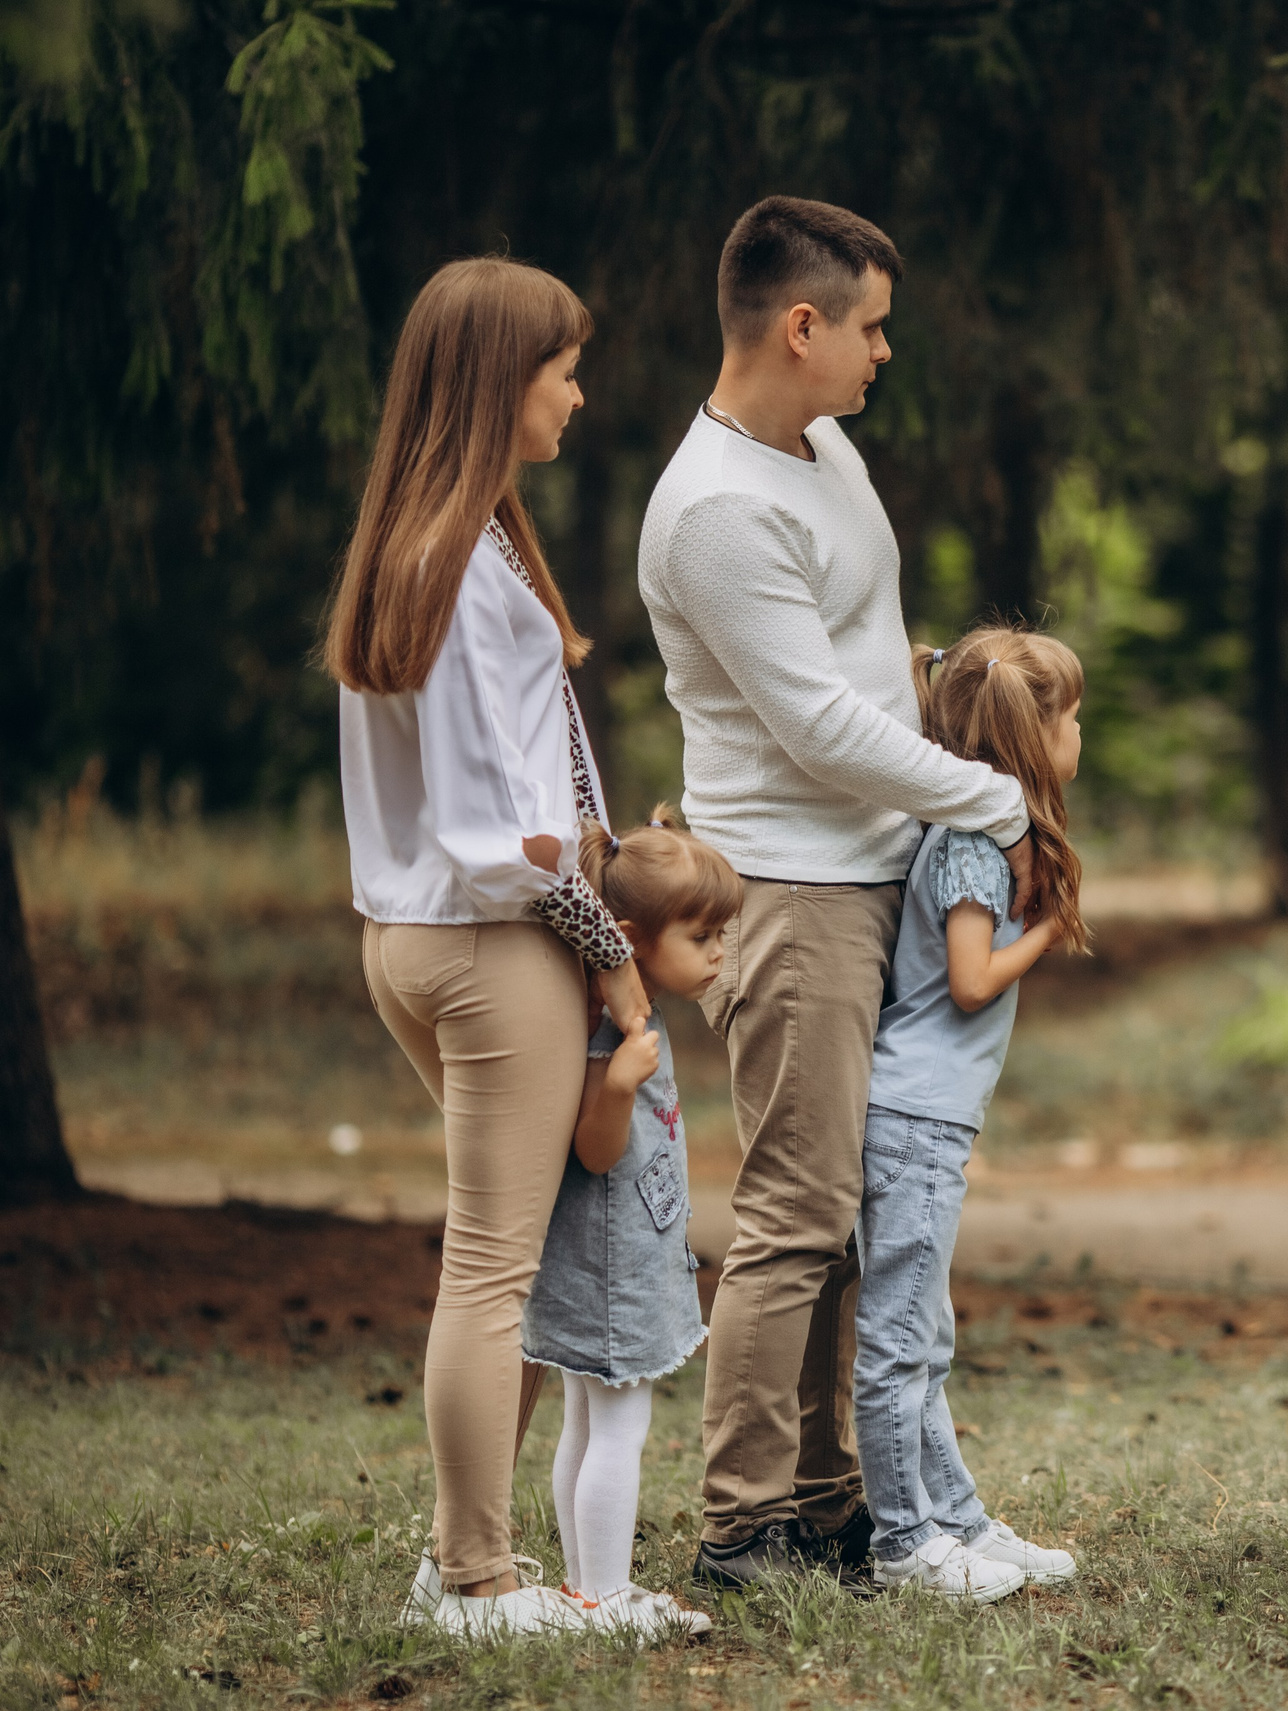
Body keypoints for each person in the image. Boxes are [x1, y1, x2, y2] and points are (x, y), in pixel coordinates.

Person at [637, 196, 1036, 1589]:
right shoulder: (715, 511)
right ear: (800, 325)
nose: (884, 352)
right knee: (797, 1212)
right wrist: (993, 800)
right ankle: (744, 1523)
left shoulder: (823, 447)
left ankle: (833, 1497)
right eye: (870, 327)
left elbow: (866, 658)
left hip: (872, 872)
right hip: (793, 891)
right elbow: (812, 725)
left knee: (852, 1218)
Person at [329, 257, 649, 1639]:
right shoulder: (454, 564)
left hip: (421, 936)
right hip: (487, 941)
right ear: (492, 381)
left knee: (515, 1256)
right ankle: (473, 1581)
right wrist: (607, 941)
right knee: (496, 1270)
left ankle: (461, 1560)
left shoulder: (444, 542)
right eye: (561, 371)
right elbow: (492, 839)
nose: (577, 394)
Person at [858, 629, 1089, 1602]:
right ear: (1032, 735)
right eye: (1072, 717)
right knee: (896, 1344)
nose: (1081, 733)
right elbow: (969, 980)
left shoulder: (977, 836)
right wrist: (1047, 929)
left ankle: (957, 1521)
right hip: (914, 1118)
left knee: (926, 1339)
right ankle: (903, 1541)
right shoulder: (973, 846)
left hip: (927, 1119)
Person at [520, 809, 738, 1643]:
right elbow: (596, 1149)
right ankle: (605, 1596)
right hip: (609, 1260)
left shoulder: (622, 1010)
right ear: (629, 937)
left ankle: (588, 1591)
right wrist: (617, 1085)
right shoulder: (610, 1028)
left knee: (585, 1419)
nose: (718, 951)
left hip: (614, 1250)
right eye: (701, 934)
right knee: (618, 1423)